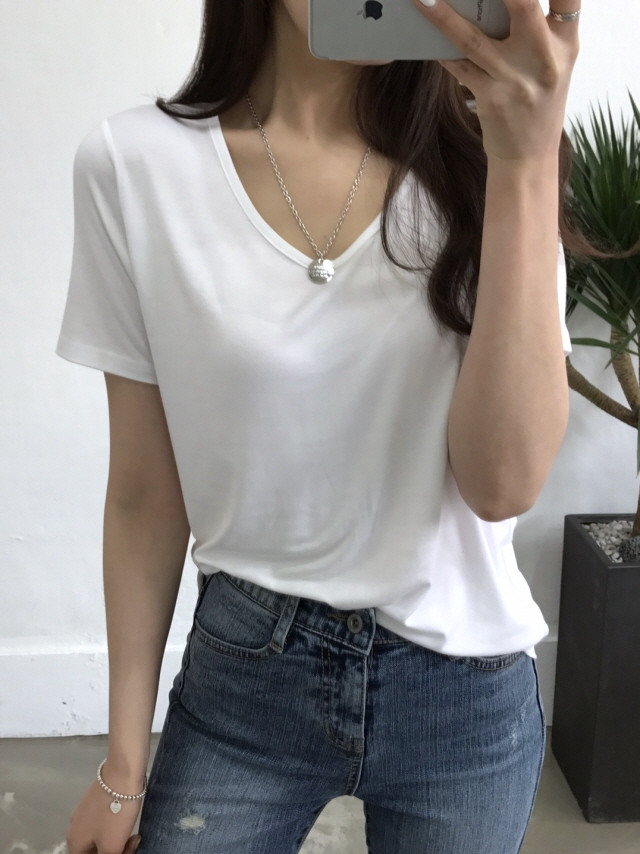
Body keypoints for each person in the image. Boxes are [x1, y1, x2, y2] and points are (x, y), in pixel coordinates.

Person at [59, 0, 583, 851]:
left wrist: (525, 162)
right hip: (245, 676)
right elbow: (146, 495)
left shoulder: (491, 157)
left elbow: (503, 483)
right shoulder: (133, 165)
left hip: (462, 683)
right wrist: (121, 766)